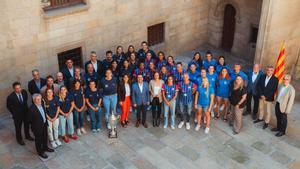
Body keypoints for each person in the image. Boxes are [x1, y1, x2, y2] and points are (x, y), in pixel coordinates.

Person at [28, 94, 54, 159]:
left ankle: (45, 147)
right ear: (34, 100)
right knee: (38, 140)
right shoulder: (31, 109)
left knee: (45, 137)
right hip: (37, 128)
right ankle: (40, 152)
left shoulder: (42, 104)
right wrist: (33, 128)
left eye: (40, 99)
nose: (40, 100)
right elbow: (28, 120)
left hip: (44, 124)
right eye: (38, 99)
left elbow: (44, 113)